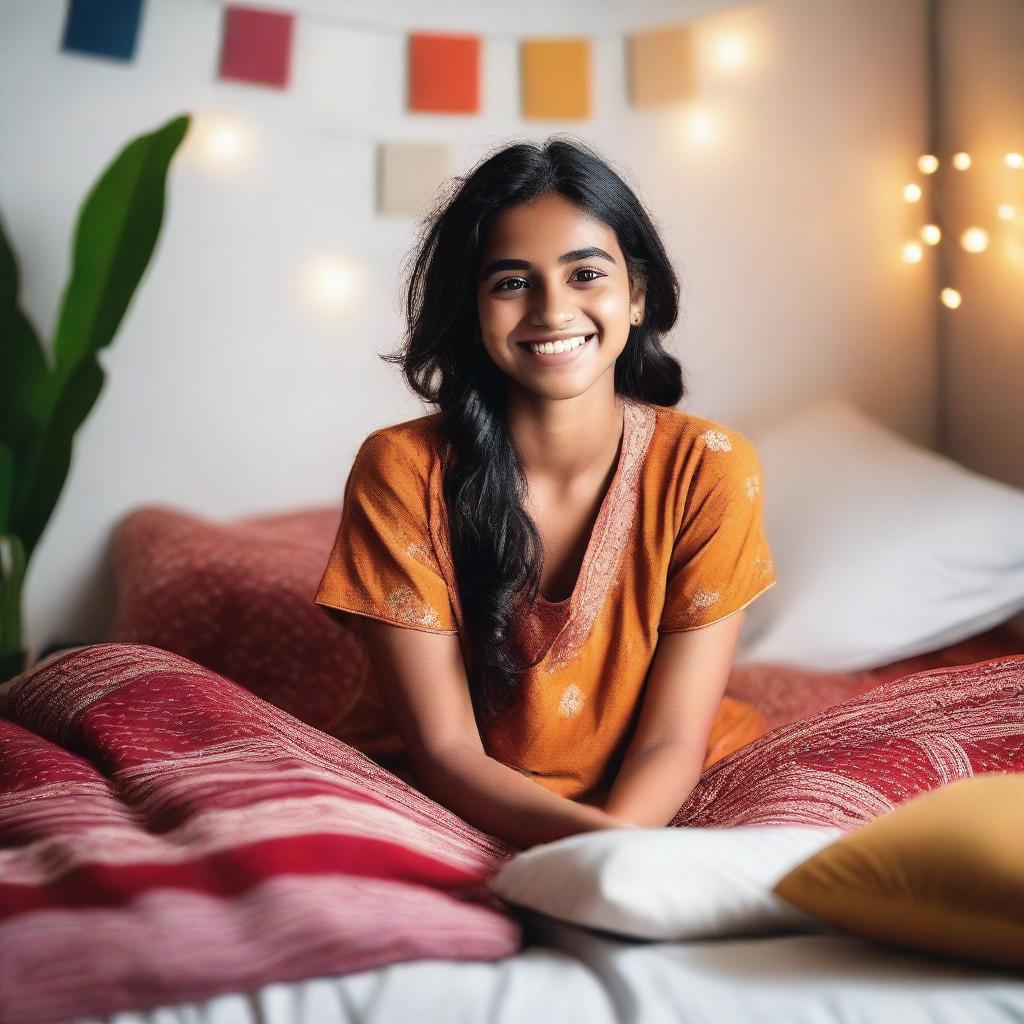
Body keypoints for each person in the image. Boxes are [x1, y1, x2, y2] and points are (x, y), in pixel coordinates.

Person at [314, 136, 777, 851]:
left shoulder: (710, 468)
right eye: (510, 282)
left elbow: (673, 742)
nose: (552, 309)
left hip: (659, 800)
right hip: (444, 801)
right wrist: (590, 856)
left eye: (586, 273)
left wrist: (610, 856)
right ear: (471, 310)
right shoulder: (401, 470)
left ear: (638, 295)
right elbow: (446, 754)